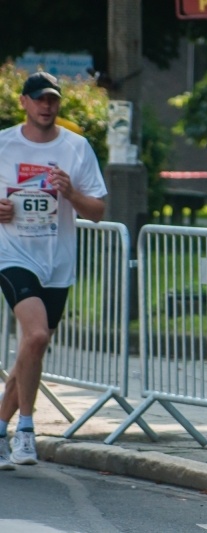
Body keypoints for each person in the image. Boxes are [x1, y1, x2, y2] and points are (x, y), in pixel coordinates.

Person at [0, 71, 107, 470]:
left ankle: (1, 428)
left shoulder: (76, 148)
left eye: (53, 100)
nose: (47, 106)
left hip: (57, 263)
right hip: (12, 254)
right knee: (37, 334)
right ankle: (26, 430)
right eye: (39, 99)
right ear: (24, 102)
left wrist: (71, 193)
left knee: (32, 347)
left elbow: (98, 212)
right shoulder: (4, 144)